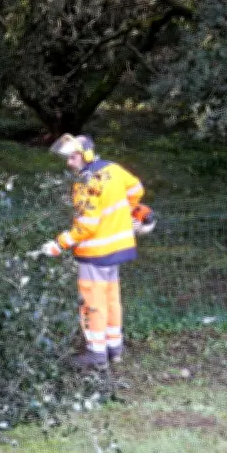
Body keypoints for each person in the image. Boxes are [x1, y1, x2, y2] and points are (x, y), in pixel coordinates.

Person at [40, 134, 155, 369]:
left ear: (86, 155)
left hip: (95, 253)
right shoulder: (114, 169)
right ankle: (115, 349)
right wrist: (128, 211)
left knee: (93, 303)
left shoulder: (86, 183)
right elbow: (136, 189)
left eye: (72, 157)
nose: (69, 163)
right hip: (118, 250)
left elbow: (87, 226)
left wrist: (59, 244)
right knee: (112, 300)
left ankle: (96, 353)